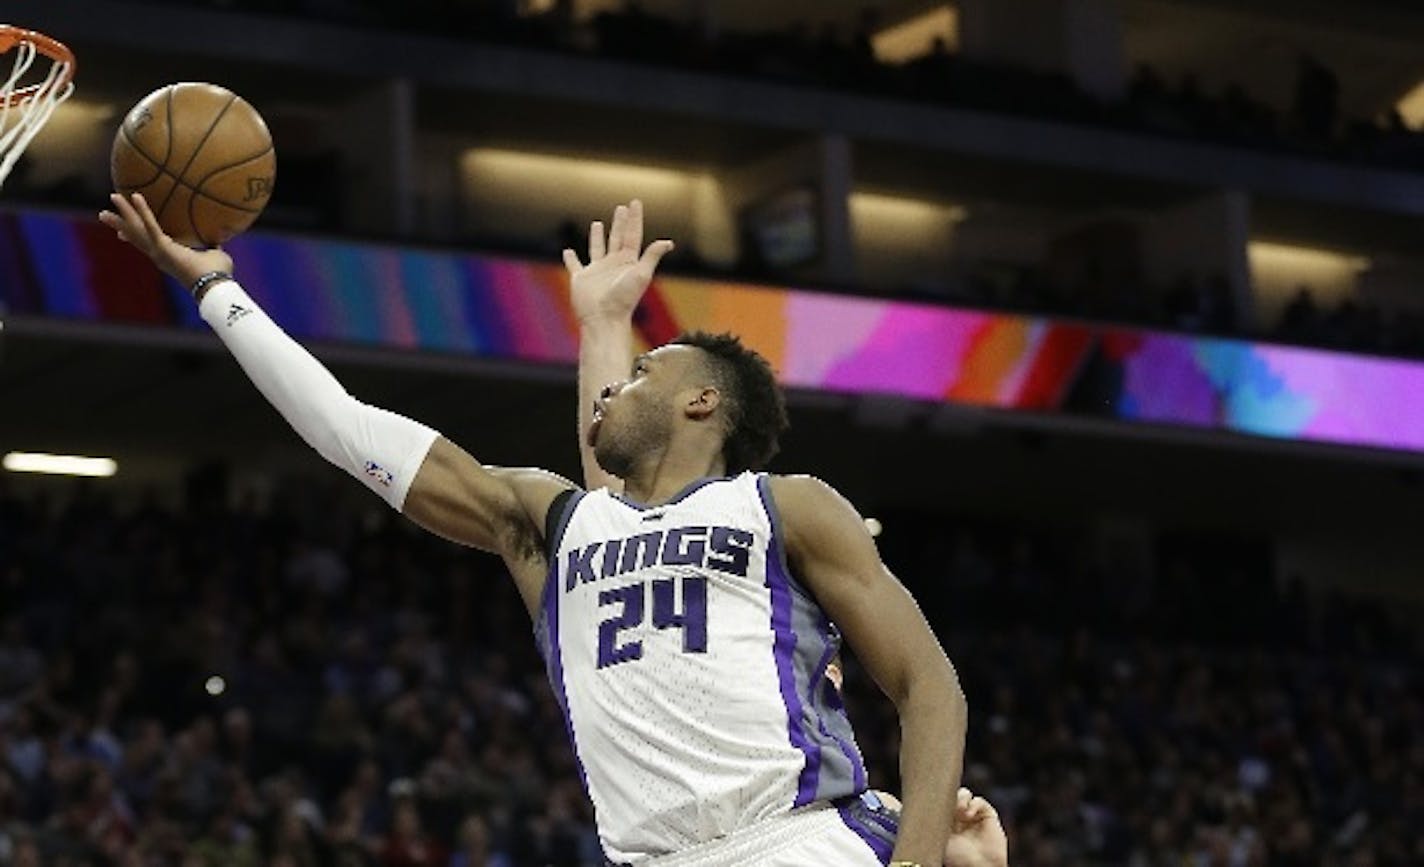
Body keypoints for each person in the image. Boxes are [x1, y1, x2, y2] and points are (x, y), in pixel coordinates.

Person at [99, 193, 967, 866]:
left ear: (703, 399)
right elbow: (346, 426)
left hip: (796, 838)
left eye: (639, 373)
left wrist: (918, 858)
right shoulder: (556, 525)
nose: (612, 387)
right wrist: (217, 289)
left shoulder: (784, 505)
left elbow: (929, 684)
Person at [565, 202, 1005, 867]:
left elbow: (930, 686)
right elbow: (616, 510)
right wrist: (602, 325)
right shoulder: (656, 532)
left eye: (641, 378)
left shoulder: (780, 520)